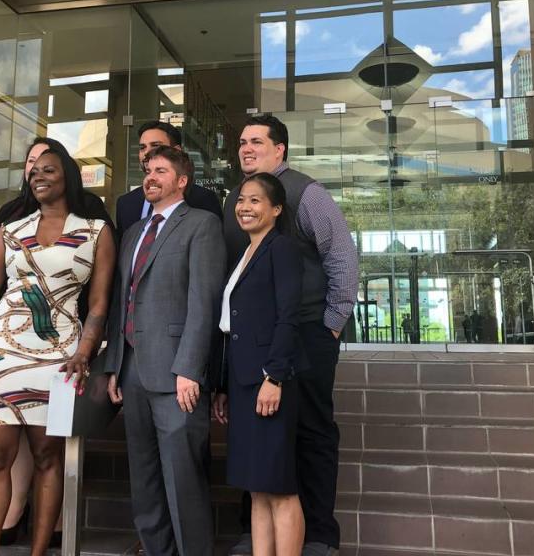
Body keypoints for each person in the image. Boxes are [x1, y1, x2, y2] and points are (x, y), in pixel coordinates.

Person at [224, 114, 358, 556]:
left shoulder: (306, 193)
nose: (246, 148)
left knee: (312, 431)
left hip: (308, 332)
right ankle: (258, 533)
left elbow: (340, 256)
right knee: (265, 434)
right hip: (259, 338)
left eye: (257, 141)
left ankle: (318, 535)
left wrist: (333, 323)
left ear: (280, 149)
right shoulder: (239, 199)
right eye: (242, 142)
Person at [0, 136, 113, 547]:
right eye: (33, 171)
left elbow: (98, 303)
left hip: (61, 359)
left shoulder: (95, 231)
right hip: (0, 353)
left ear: (68, 177)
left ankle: (39, 551)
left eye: (49, 169)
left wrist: (85, 350)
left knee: (47, 458)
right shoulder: (9, 229)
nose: (39, 175)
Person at [105, 146, 226, 556]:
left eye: (161, 170)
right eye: (147, 170)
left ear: (182, 180)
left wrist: (191, 368)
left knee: (183, 479)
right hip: (133, 370)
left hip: (178, 373)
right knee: (145, 477)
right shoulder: (133, 234)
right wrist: (113, 367)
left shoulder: (203, 225)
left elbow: (204, 302)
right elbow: (123, 300)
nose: (151, 176)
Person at [213, 173, 305, 556]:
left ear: (276, 208)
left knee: (279, 486)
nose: (244, 207)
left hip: (268, 379)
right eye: (241, 200)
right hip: (242, 381)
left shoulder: (281, 249)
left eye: (255, 201)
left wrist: (275, 377)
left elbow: (289, 317)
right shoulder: (245, 253)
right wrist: (222, 385)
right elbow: (231, 326)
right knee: (257, 487)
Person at [116, 120, 223, 234]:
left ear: (176, 151)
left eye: (156, 145)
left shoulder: (203, 199)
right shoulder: (125, 204)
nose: (146, 153)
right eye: (142, 147)